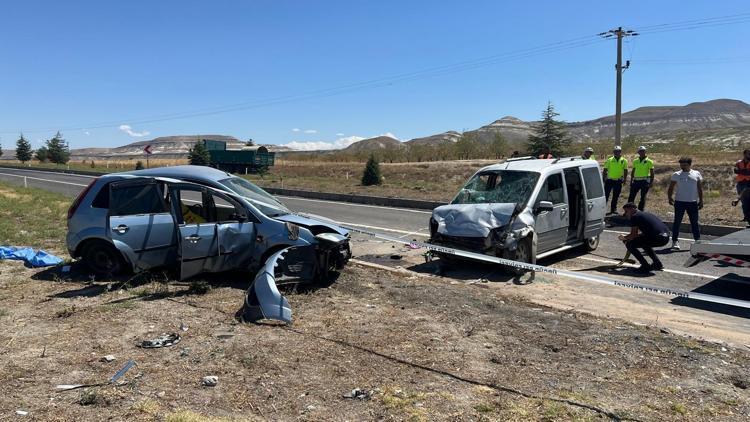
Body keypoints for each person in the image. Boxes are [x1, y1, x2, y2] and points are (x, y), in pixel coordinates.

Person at [618, 202, 670, 273]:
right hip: (665, 237)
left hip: (657, 238)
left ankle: (645, 265)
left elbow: (633, 235)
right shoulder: (645, 214)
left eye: (626, 211)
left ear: (632, 209)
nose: (625, 213)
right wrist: (631, 237)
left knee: (630, 244)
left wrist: (624, 238)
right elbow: (643, 233)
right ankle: (657, 264)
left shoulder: (635, 216)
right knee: (644, 242)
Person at [667, 157, 703, 250]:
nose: (682, 167)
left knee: (694, 222)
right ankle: (675, 241)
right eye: (681, 165)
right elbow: (671, 188)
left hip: (692, 202)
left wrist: (701, 200)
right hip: (679, 202)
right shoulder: (676, 174)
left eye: (685, 165)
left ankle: (697, 240)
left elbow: (699, 188)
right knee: (677, 222)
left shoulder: (696, 173)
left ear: (690, 165)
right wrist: (670, 197)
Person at [602, 146, 628, 215]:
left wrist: (625, 179)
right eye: (615, 151)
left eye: (618, 151)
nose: (616, 152)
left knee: (615, 196)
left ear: (620, 152)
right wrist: (603, 178)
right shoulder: (609, 160)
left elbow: (625, 170)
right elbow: (605, 170)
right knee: (606, 196)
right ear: (613, 152)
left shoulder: (624, 160)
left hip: (618, 181)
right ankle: (602, 210)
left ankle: (613, 210)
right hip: (609, 181)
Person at [628, 146, 655, 211]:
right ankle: (629, 210)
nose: (641, 152)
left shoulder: (649, 161)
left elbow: (652, 173)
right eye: (640, 151)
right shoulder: (635, 161)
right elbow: (633, 171)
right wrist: (631, 180)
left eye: (643, 151)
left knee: (642, 197)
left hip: (645, 181)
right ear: (638, 152)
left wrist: (651, 182)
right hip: (636, 181)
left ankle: (640, 211)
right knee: (631, 196)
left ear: (645, 151)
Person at [734, 149, 750, 224]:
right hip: (740, 184)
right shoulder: (738, 162)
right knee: (743, 202)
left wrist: (742, 171)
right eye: (748, 154)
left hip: (748, 184)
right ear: (744, 155)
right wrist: (745, 171)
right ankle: (746, 217)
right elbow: (735, 170)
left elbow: (747, 172)